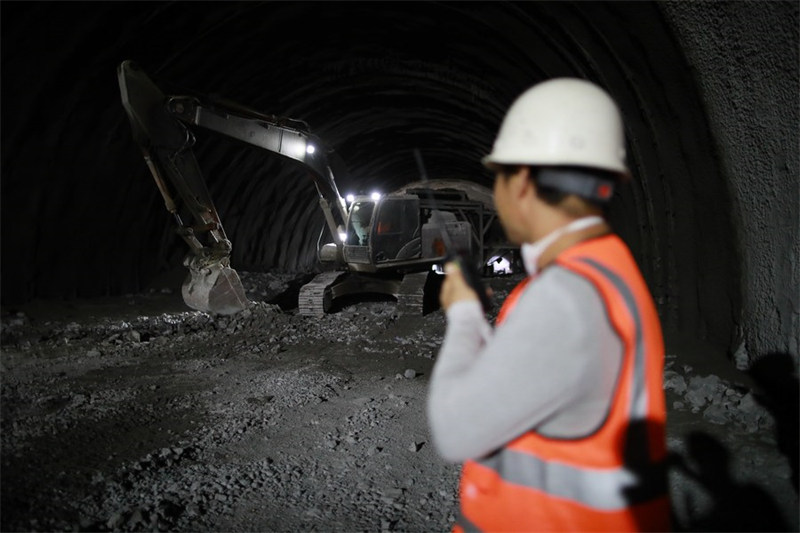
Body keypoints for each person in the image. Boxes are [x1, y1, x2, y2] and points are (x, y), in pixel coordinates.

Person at [426, 78, 671, 532]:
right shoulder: (608, 270)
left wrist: (462, 314)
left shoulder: (566, 295)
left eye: (496, 177)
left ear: (521, 181)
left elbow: (454, 430)